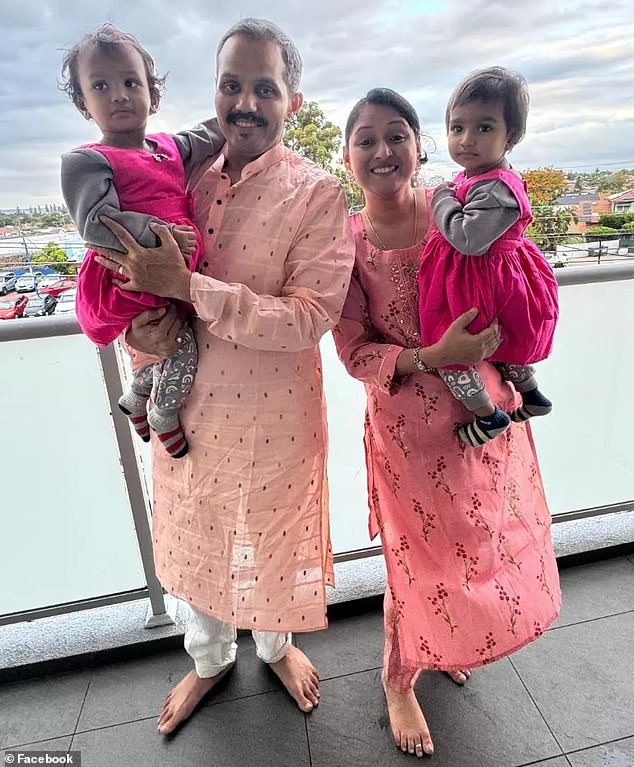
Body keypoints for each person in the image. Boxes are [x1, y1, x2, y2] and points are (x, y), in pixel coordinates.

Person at [91, 18, 355, 735]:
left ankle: (275, 646)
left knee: (270, 541)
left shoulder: (318, 194)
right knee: (196, 538)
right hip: (190, 416)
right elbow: (134, 278)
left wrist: (192, 288)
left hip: (277, 421)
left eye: (263, 87)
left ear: (291, 100)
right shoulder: (178, 174)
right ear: (215, 89)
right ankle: (208, 660)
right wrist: (141, 338)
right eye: (231, 84)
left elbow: (309, 316)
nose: (244, 102)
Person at [334, 87, 561, 758]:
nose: (383, 150)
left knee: (478, 541)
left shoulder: (455, 211)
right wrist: (436, 355)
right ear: (348, 157)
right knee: (416, 557)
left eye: (396, 134)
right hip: (407, 434)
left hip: (480, 417)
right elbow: (354, 352)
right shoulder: (344, 243)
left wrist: (507, 348)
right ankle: (397, 676)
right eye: (366, 139)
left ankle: (443, 639)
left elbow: (509, 274)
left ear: (418, 144)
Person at [60, 24, 224, 458]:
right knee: (182, 346)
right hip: (126, 273)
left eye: (131, 82)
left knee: (173, 336)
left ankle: (135, 396)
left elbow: (209, 134)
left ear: (153, 94)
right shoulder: (87, 161)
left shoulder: (168, 148)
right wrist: (164, 234)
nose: (119, 94)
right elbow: (97, 222)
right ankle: (162, 415)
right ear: (83, 103)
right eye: (101, 85)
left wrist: (238, 110)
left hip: (165, 273)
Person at [417, 67, 559, 448]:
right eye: (457, 127)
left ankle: (488, 416)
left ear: (509, 136)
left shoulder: (495, 187)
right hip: (488, 277)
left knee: (451, 351)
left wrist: (442, 199)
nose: (466, 139)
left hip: (478, 281)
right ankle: (531, 395)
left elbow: (467, 238)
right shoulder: (480, 176)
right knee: (501, 343)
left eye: (484, 128)